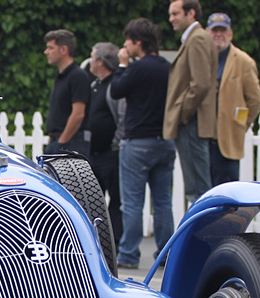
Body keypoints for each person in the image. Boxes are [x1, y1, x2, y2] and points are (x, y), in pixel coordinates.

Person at [111, 18, 175, 270]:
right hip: (165, 140)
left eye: (128, 40)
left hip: (137, 141)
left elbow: (117, 90)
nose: (125, 44)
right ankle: (166, 252)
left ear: (138, 42)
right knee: (162, 201)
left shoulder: (137, 68)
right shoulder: (167, 67)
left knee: (133, 202)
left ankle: (128, 254)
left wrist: (122, 65)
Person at [163, 0, 218, 204]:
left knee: (197, 188)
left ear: (191, 13)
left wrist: (183, 113)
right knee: (195, 185)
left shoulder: (198, 38)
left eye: (175, 13)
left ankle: (203, 235)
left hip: (192, 122)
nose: (171, 18)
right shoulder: (196, 38)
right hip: (192, 120)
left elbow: (200, 83)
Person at [206, 12, 260, 185]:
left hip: (227, 142)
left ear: (230, 34)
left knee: (226, 195)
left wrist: (239, 124)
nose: (218, 34)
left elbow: (255, 100)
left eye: (222, 31)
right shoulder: (202, 58)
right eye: (214, 30)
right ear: (207, 33)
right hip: (203, 139)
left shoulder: (244, 61)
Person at [85, 42, 125, 244]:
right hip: (95, 153)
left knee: (116, 201)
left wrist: (115, 143)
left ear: (100, 61)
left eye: (92, 57)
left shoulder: (113, 87)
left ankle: (114, 242)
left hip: (111, 153)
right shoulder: (95, 85)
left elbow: (121, 116)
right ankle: (96, 239)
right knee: (92, 200)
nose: (90, 61)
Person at [43, 29, 91, 155]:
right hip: (58, 140)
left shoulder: (78, 76)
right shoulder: (61, 76)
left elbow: (78, 114)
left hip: (71, 143)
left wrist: (62, 142)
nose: (46, 52)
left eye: (50, 48)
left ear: (63, 50)